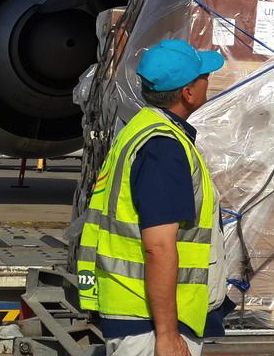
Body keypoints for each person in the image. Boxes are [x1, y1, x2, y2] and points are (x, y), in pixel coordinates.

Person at [77, 40, 229, 356]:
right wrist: (168, 333)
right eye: (203, 76)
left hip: (134, 310)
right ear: (188, 93)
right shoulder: (164, 147)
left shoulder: (140, 130)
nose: (208, 81)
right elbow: (158, 246)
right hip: (150, 323)